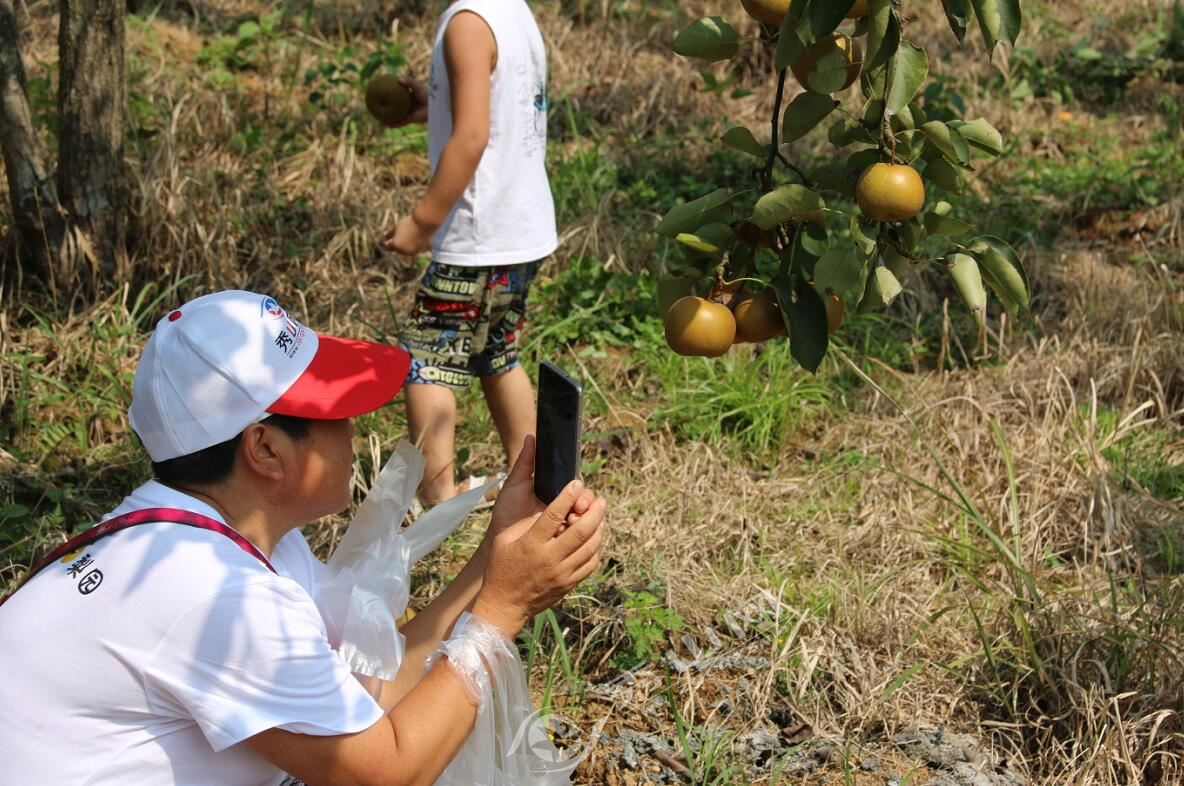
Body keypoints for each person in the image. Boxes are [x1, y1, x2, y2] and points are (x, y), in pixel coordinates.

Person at [0, 290, 606, 785]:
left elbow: (375, 690)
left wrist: (496, 558)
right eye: (332, 414)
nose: (353, 428)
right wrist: (501, 612)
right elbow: (387, 773)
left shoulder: (228, 539)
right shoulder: (218, 595)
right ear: (264, 448)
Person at [383, 0, 558, 506]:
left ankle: (438, 495)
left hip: (477, 234)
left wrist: (422, 223)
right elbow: (503, 108)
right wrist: (433, 104)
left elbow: (473, 137)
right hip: (518, 228)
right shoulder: (510, 12)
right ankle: (535, 479)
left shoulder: (467, 23)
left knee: (427, 359)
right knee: (497, 354)